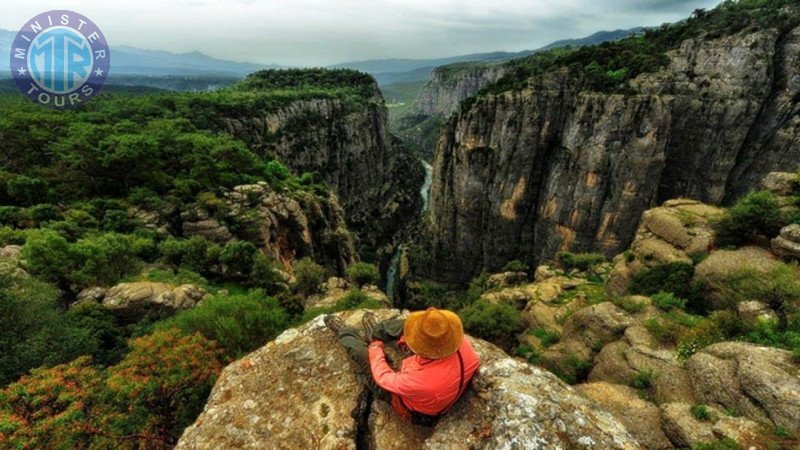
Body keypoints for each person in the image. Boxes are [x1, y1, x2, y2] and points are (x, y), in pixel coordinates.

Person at [324, 307, 480, 426]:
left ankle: (346, 333)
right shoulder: (461, 345)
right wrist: (412, 338)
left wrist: (375, 348)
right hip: (435, 373)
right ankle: (376, 331)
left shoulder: (418, 381)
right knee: (410, 325)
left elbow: (383, 377)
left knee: (364, 356)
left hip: (413, 408)